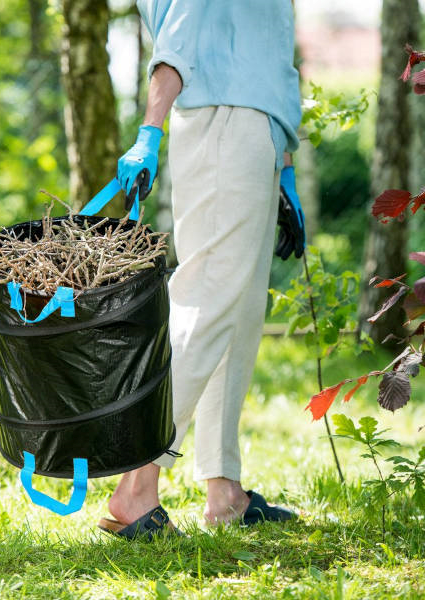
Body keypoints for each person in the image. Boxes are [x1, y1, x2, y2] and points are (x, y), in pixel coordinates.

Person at [97, 0, 306, 539]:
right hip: (224, 122)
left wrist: (283, 165)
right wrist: (149, 129)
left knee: (236, 311)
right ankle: (136, 487)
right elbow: (181, 35)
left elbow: (266, 55)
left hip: (251, 129)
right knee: (208, 300)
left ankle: (224, 488)